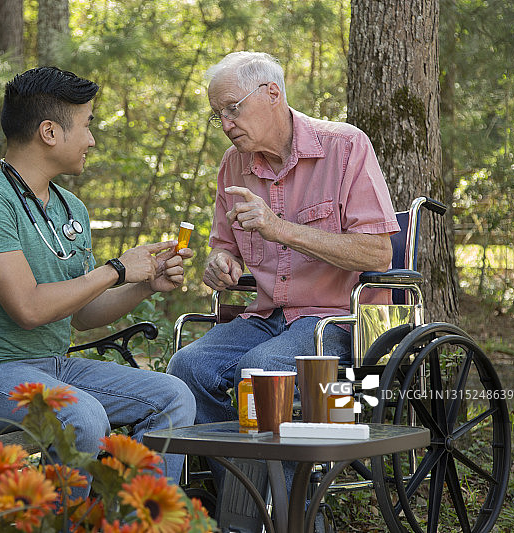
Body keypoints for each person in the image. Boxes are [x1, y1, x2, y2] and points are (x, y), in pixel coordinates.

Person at [0, 66, 196, 495]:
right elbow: (30, 309)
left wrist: (144, 285)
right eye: (88, 125)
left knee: (173, 395)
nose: (92, 140)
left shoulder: (69, 206)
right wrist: (115, 269)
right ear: (50, 132)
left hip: (53, 368)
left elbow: (82, 316)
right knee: (82, 416)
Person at [167, 51, 399, 485]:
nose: (225, 124)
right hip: (267, 315)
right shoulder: (233, 165)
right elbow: (223, 247)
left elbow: (377, 254)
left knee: (260, 370)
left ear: (272, 93)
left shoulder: (345, 146)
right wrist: (220, 263)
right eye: (217, 114)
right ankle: (245, 495)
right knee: (188, 367)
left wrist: (282, 230)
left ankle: (294, 508)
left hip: (337, 320)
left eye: (232, 109)